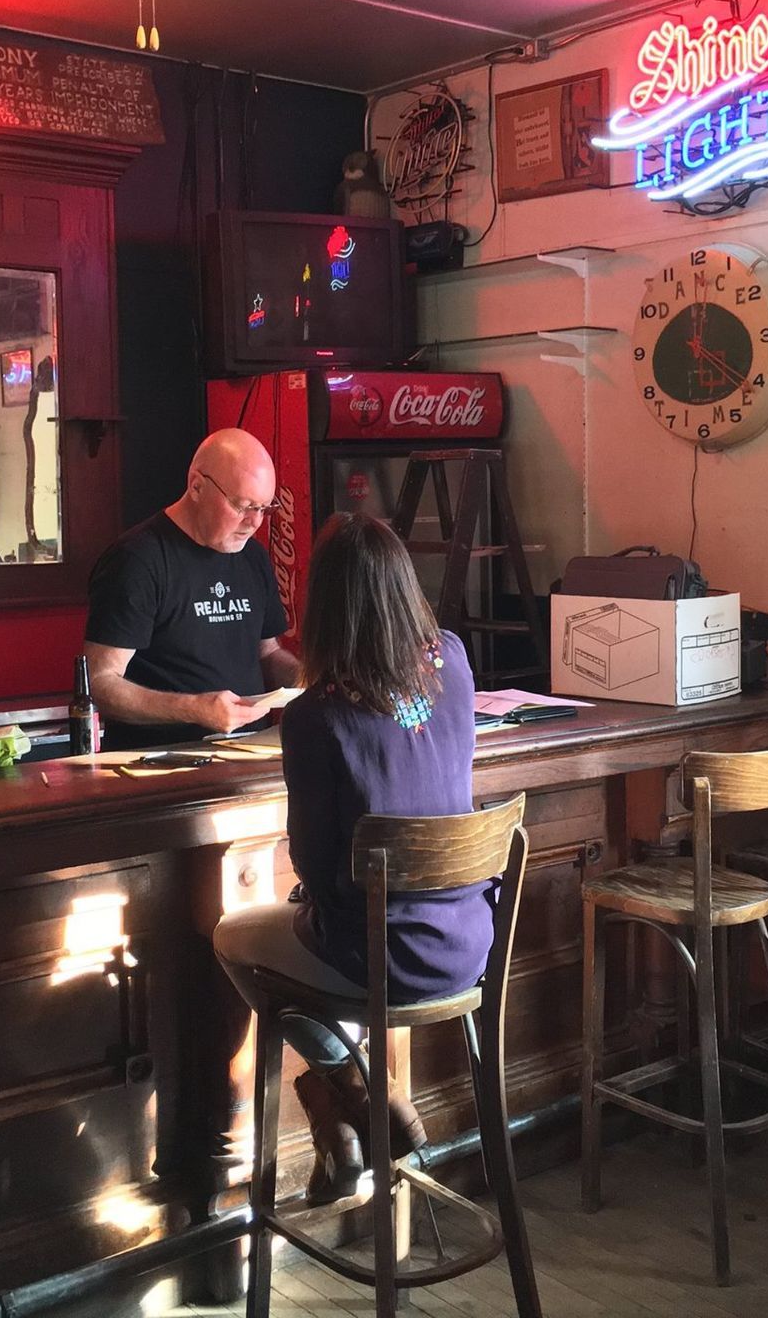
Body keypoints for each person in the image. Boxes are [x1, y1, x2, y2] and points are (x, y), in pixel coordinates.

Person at [212, 514, 491, 1200]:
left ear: (325, 607)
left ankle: (352, 1085)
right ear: (405, 587)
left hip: (382, 956)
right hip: (472, 942)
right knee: (305, 937)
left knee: (230, 937)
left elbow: (310, 863)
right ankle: (345, 1107)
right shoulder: (451, 658)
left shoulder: (315, 716)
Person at [83, 429, 302, 748]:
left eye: (265, 509)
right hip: (161, 761)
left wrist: (309, 680)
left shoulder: (252, 556)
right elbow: (99, 683)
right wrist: (193, 709)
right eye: (242, 506)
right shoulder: (138, 559)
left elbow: (267, 653)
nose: (255, 523)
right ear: (197, 486)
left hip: (250, 751)